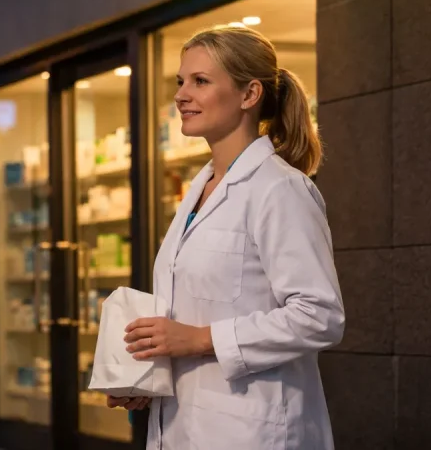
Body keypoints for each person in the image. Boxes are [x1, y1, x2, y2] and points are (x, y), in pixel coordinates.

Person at [107, 26, 344, 449]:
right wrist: (149, 375)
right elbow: (192, 309)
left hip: (254, 430)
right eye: (181, 81)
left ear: (249, 94)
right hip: (185, 425)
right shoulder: (200, 191)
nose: (181, 95)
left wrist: (198, 340)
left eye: (200, 81)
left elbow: (319, 316)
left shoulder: (279, 189)